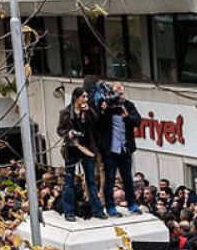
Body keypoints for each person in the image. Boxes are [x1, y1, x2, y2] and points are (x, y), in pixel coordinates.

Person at [57, 87, 104, 220]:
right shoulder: (66, 112)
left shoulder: (87, 111)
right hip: (72, 148)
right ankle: (69, 212)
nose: (85, 99)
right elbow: (60, 130)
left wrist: (89, 111)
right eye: (83, 97)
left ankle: (97, 210)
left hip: (87, 147)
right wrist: (68, 133)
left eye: (86, 97)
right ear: (76, 98)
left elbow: (97, 124)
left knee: (91, 180)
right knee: (69, 181)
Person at [97, 82, 141, 216]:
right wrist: (104, 110)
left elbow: (137, 120)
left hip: (124, 149)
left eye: (121, 93)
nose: (119, 96)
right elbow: (99, 124)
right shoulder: (107, 106)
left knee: (127, 178)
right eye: (117, 93)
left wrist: (126, 116)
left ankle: (132, 204)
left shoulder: (128, 105)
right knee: (109, 180)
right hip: (111, 151)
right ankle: (110, 206)